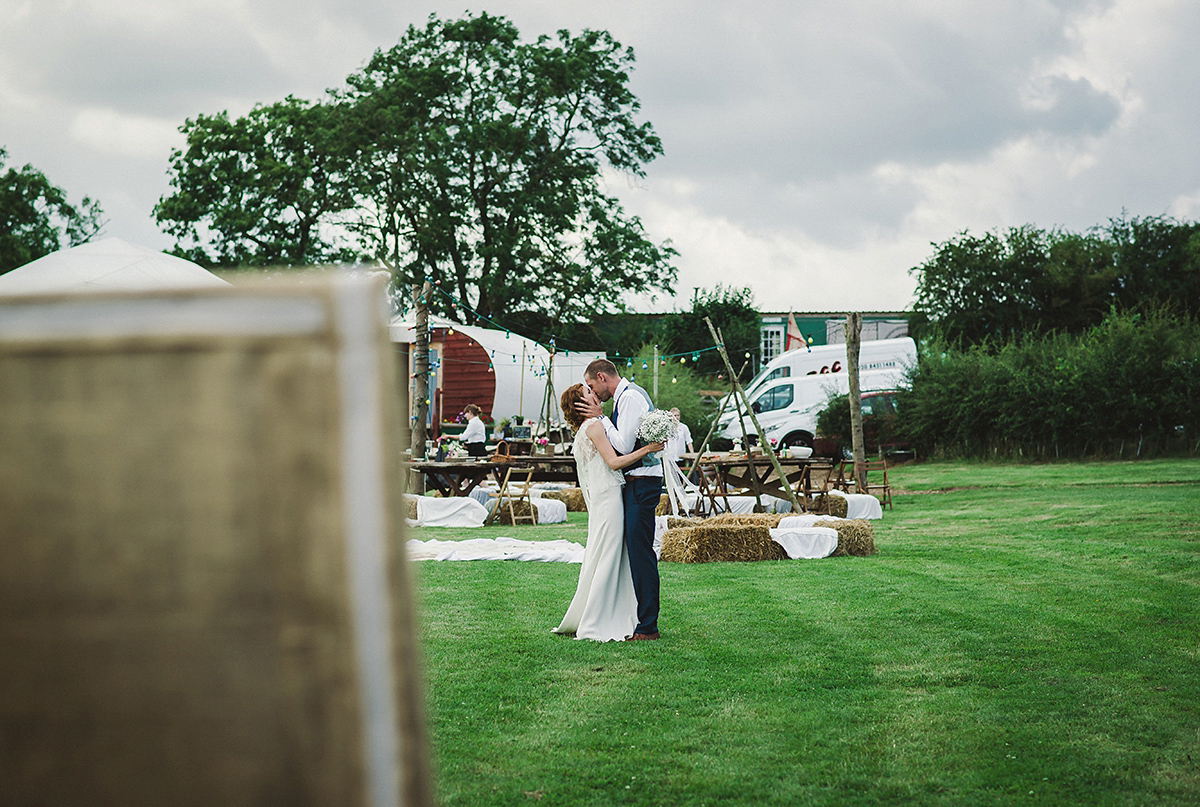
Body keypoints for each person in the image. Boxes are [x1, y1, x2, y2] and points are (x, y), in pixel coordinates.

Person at [553, 384, 664, 642]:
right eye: (588, 393)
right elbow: (614, 461)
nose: (595, 395)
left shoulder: (586, 429)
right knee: (610, 557)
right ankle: (599, 618)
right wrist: (648, 449)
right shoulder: (594, 426)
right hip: (611, 499)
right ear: (581, 405)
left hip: (605, 499)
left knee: (605, 554)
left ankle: (611, 612)